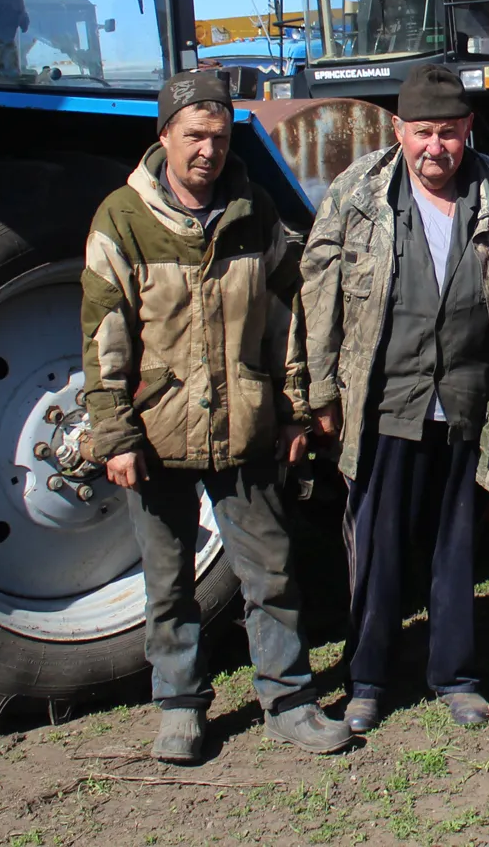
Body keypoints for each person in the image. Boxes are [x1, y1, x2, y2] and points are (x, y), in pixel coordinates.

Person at [79, 68, 351, 765]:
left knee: (272, 573)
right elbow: (103, 334)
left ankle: (289, 700)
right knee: (168, 583)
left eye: (220, 137)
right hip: (157, 432)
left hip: (247, 426)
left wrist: (292, 412)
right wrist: (115, 432)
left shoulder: (254, 211)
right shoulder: (122, 218)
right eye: (195, 135)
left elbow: (284, 318)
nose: (208, 150)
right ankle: (178, 707)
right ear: (164, 135)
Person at [301, 64, 489, 733]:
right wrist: (320, 386)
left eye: (451, 133)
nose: (437, 147)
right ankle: (368, 678)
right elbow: (319, 291)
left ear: (470, 131)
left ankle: (455, 676)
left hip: (466, 397)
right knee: (377, 543)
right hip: (386, 397)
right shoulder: (359, 192)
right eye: (424, 132)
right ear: (400, 130)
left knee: (455, 544)